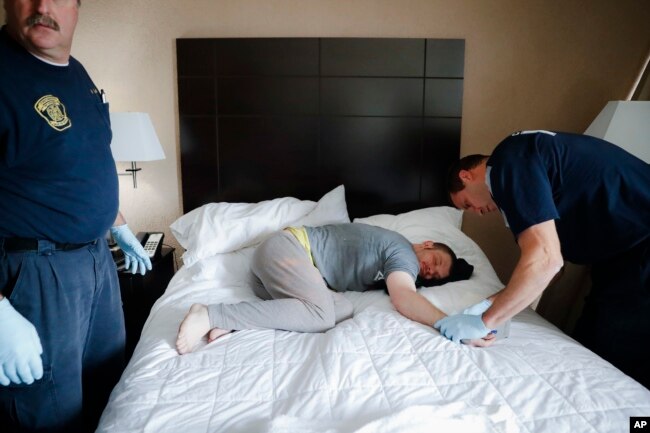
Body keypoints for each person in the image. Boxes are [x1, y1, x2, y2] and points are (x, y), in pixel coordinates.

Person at [0, 1, 152, 431]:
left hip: (96, 264)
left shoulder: (76, 74)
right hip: (36, 272)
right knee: (49, 413)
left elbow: (84, 164)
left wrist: (116, 222)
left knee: (109, 396)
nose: (43, 6)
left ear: (77, 8)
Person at [438, 130, 650, 388]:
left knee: (620, 348)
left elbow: (546, 260)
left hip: (640, 246)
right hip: (619, 256)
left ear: (466, 176)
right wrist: (492, 303)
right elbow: (551, 264)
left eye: (466, 204)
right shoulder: (523, 165)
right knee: (591, 338)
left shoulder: (506, 164)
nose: (477, 213)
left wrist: (486, 321)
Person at [176, 223, 493, 354]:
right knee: (323, 315)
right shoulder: (403, 255)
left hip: (274, 278)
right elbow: (404, 296)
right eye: (436, 260)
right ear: (426, 245)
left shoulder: (395, 255)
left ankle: (236, 321)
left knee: (343, 309)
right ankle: (210, 313)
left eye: (436, 275)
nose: (431, 270)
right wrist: (446, 323)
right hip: (287, 250)